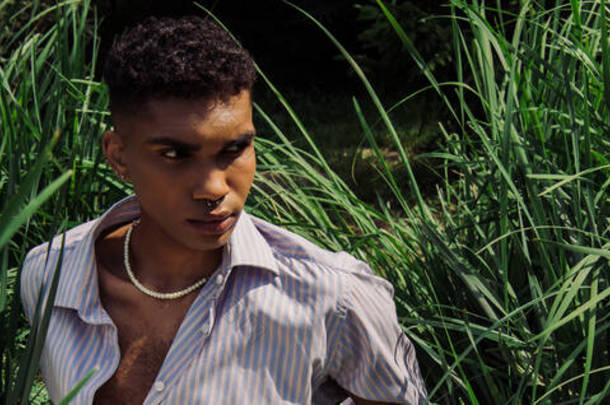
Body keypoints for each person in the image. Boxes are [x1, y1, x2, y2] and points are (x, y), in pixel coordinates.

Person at [20, 15, 428, 405]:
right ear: (118, 156)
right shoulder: (49, 277)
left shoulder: (333, 297)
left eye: (234, 149)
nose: (214, 188)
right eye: (175, 154)